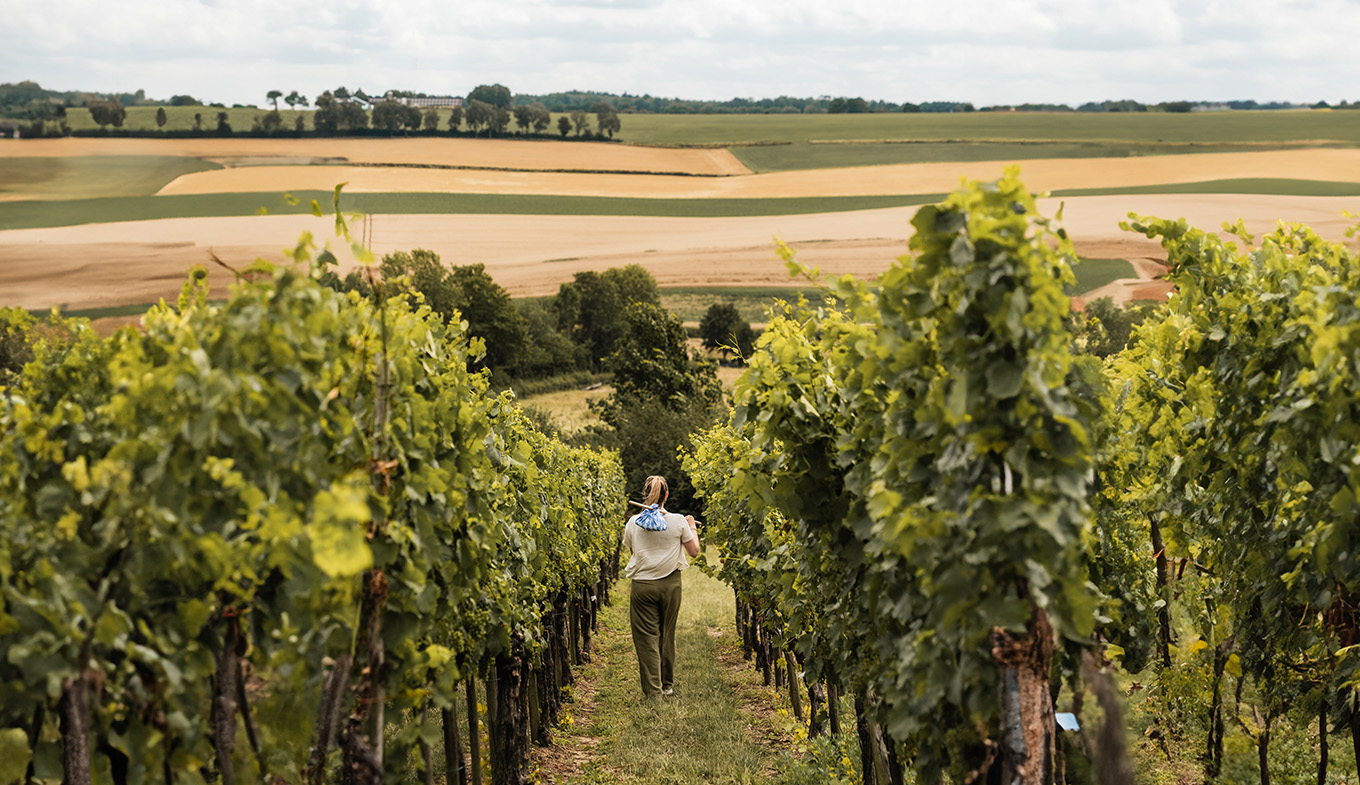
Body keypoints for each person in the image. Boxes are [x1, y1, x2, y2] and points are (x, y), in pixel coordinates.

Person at [621, 475, 701, 697]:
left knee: (647, 637)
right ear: (666, 495)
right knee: (667, 633)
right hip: (671, 585)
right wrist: (692, 526)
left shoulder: (633, 522)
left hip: (643, 587)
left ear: (645, 494)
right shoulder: (678, 521)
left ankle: (653, 692)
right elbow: (694, 551)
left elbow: (633, 552)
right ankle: (667, 686)